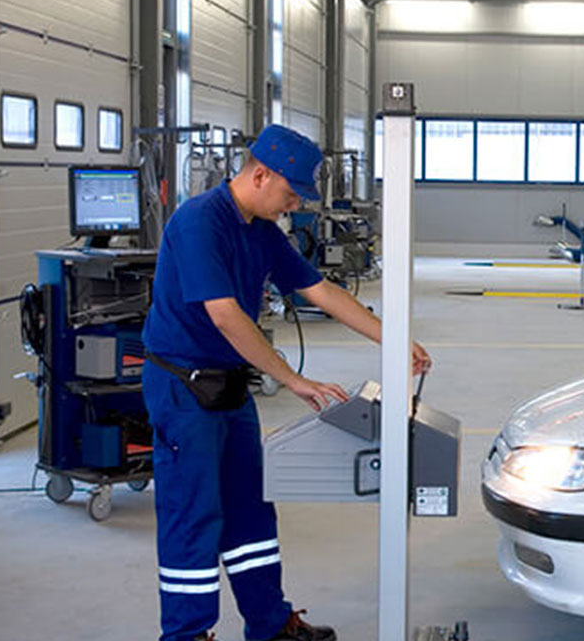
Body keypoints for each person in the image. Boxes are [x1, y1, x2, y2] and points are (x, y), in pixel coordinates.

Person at [141, 124, 431, 641]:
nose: (294, 204)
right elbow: (227, 317)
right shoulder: (198, 223)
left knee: (252, 508)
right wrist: (292, 379)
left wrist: (393, 339)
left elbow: (321, 291)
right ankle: (187, 634)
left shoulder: (264, 233)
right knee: (194, 515)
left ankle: (270, 624)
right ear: (260, 174)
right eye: (291, 192)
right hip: (183, 390)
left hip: (229, 385)